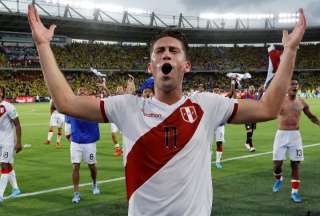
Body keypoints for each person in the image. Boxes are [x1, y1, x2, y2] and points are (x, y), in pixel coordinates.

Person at [28, 4, 306, 215]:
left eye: (174, 51)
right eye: (160, 51)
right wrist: (43, 45)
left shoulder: (207, 105)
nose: (166, 55)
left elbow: (269, 107)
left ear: (187, 65)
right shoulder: (127, 107)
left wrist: (290, 51)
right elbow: (66, 102)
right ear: (151, 67)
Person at [272, 80, 320, 203]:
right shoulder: (279, 101)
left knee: (296, 164)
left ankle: (295, 192)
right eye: (292, 84)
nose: (295, 86)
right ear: (287, 87)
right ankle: (279, 178)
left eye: (296, 84)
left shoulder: (302, 102)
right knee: (277, 165)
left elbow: (312, 117)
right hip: (281, 135)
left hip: (295, 136)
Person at [65, 87, 101, 204]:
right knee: (75, 166)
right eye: (79, 91)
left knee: (92, 166)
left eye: (84, 91)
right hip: (76, 142)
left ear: (87, 94)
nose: (81, 92)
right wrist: (69, 137)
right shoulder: (71, 108)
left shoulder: (93, 107)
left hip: (89, 142)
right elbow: (68, 124)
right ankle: (76, 193)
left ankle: (95, 184)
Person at [0, 86, 22, 203]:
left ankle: (0, 194)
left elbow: (18, 125)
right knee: (7, 165)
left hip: (7, 142)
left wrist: (18, 142)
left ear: (2, 93)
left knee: (3, 165)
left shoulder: (8, 106)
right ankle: (16, 188)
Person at [212, 81, 236, 169]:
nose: (216, 92)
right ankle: (208, 155)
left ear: (219, 91)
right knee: (206, 144)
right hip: (210, 125)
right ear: (212, 91)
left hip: (220, 126)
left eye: (217, 90)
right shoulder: (209, 100)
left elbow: (232, 93)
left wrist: (233, 83)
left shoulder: (222, 99)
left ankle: (218, 161)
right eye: (214, 90)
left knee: (219, 143)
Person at [241, 85, 257, 152]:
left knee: (252, 131)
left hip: (253, 116)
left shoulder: (254, 97)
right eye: (251, 89)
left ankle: (247, 143)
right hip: (247, 116)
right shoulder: (245, 95)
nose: (252, 90)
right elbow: (239, 100)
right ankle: (251, 146)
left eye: (253, 89)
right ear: (248, 89)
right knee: (249, 131)